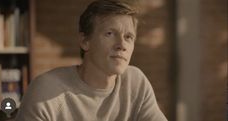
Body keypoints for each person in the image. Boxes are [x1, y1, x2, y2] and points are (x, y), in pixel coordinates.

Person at [15, 0, 167, 121]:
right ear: (84, 41)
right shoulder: (46, 91)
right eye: (109, 33)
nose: (122, 45)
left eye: (128, 37)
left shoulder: (136, 82)